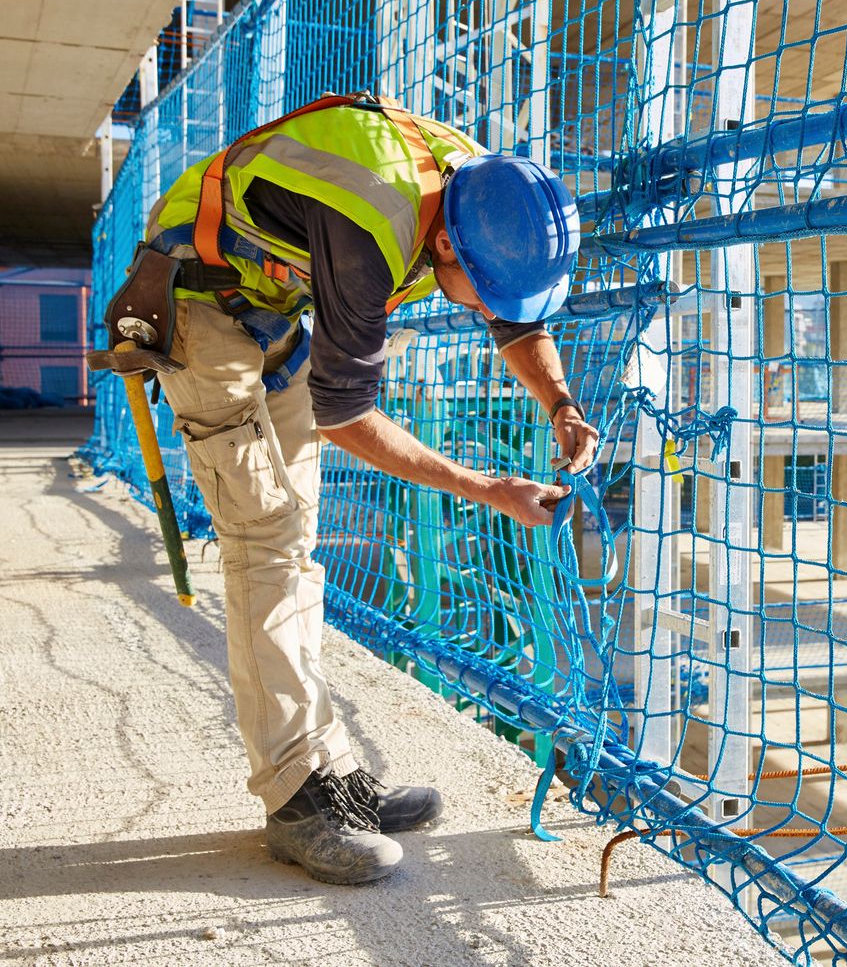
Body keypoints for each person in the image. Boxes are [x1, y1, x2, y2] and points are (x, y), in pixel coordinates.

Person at [108, 93, 598, 885]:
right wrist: (486, 487)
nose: (487, 314)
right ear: (444, 243)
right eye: (480, 291)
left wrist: (561, 404)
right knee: (265, 539)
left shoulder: (479, 193)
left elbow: (513, 320)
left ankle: (327, 768)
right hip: (197, 301)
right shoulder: (373, 224)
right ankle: (297, 799)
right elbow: (346, 416)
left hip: (269, 305)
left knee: (292, 545)